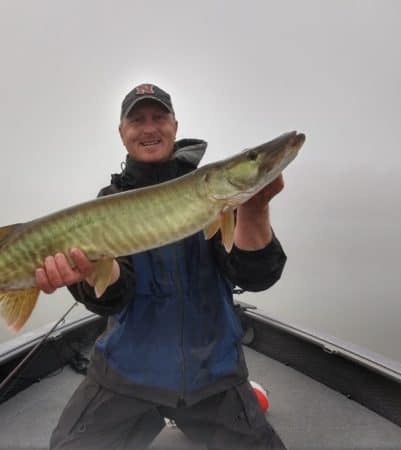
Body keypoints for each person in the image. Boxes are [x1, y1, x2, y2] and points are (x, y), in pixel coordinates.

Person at [35, 83, 287, 449]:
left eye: (159, 117)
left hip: (213, 374)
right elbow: (113, 298)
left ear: (175, 126)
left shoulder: (213, 191)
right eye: (137, 120)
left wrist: (255, 209)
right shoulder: (106, 206)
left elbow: (256, 275)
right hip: (127, 375)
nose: (149, 128)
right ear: (122, 133)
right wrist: (91, 275)